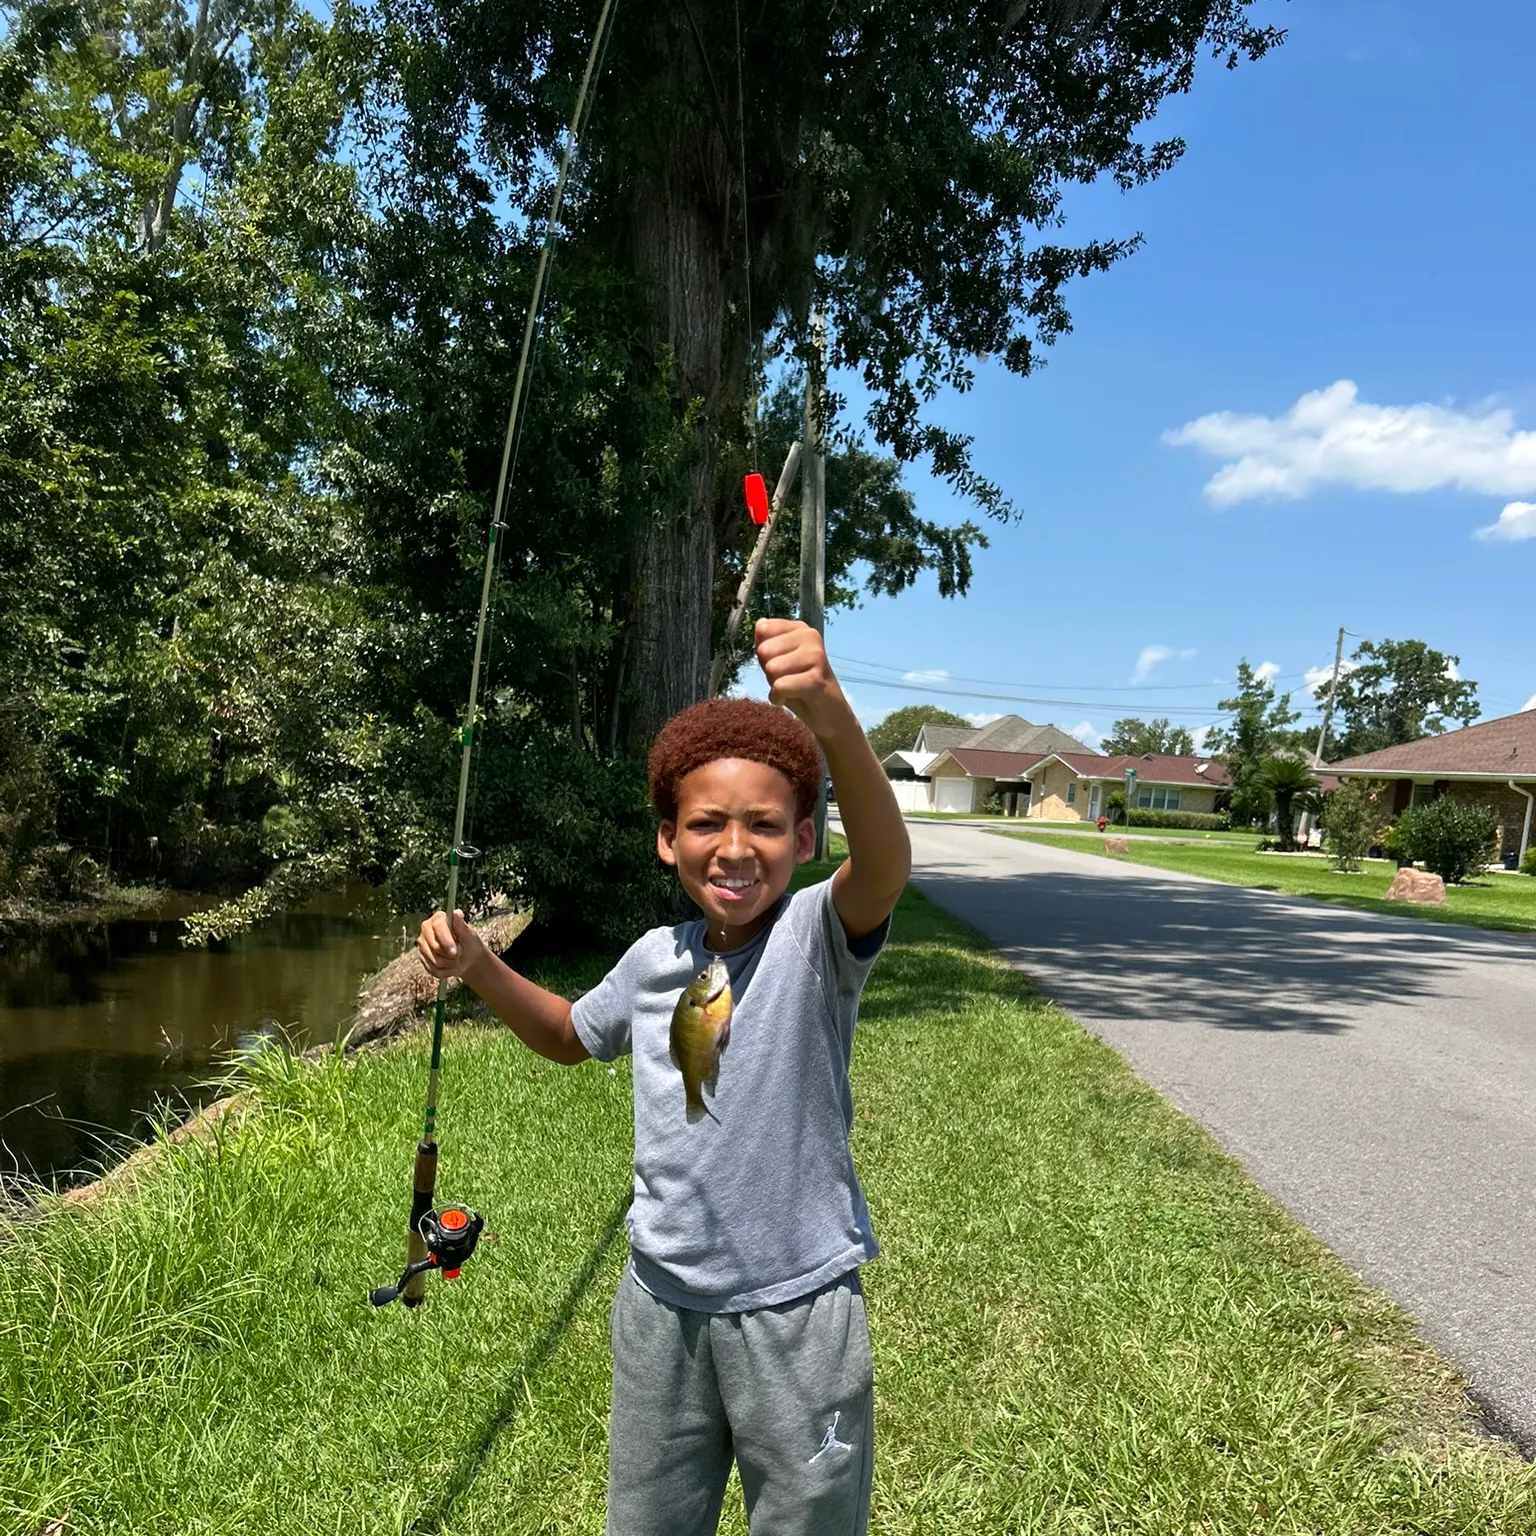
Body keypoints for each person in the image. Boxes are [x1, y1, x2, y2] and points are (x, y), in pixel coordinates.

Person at [417, 617, 911, 1536]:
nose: (736, 846)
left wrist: (832, 717)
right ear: (667, 840)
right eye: (707, 823)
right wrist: (480, 966)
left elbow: (885, 867)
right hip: (659, 1302)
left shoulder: (814, 937)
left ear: (806, 838)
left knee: (806, 1520)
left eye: (766, 824)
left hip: (797, 1305)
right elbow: (570, 1034)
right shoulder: (652, 960)